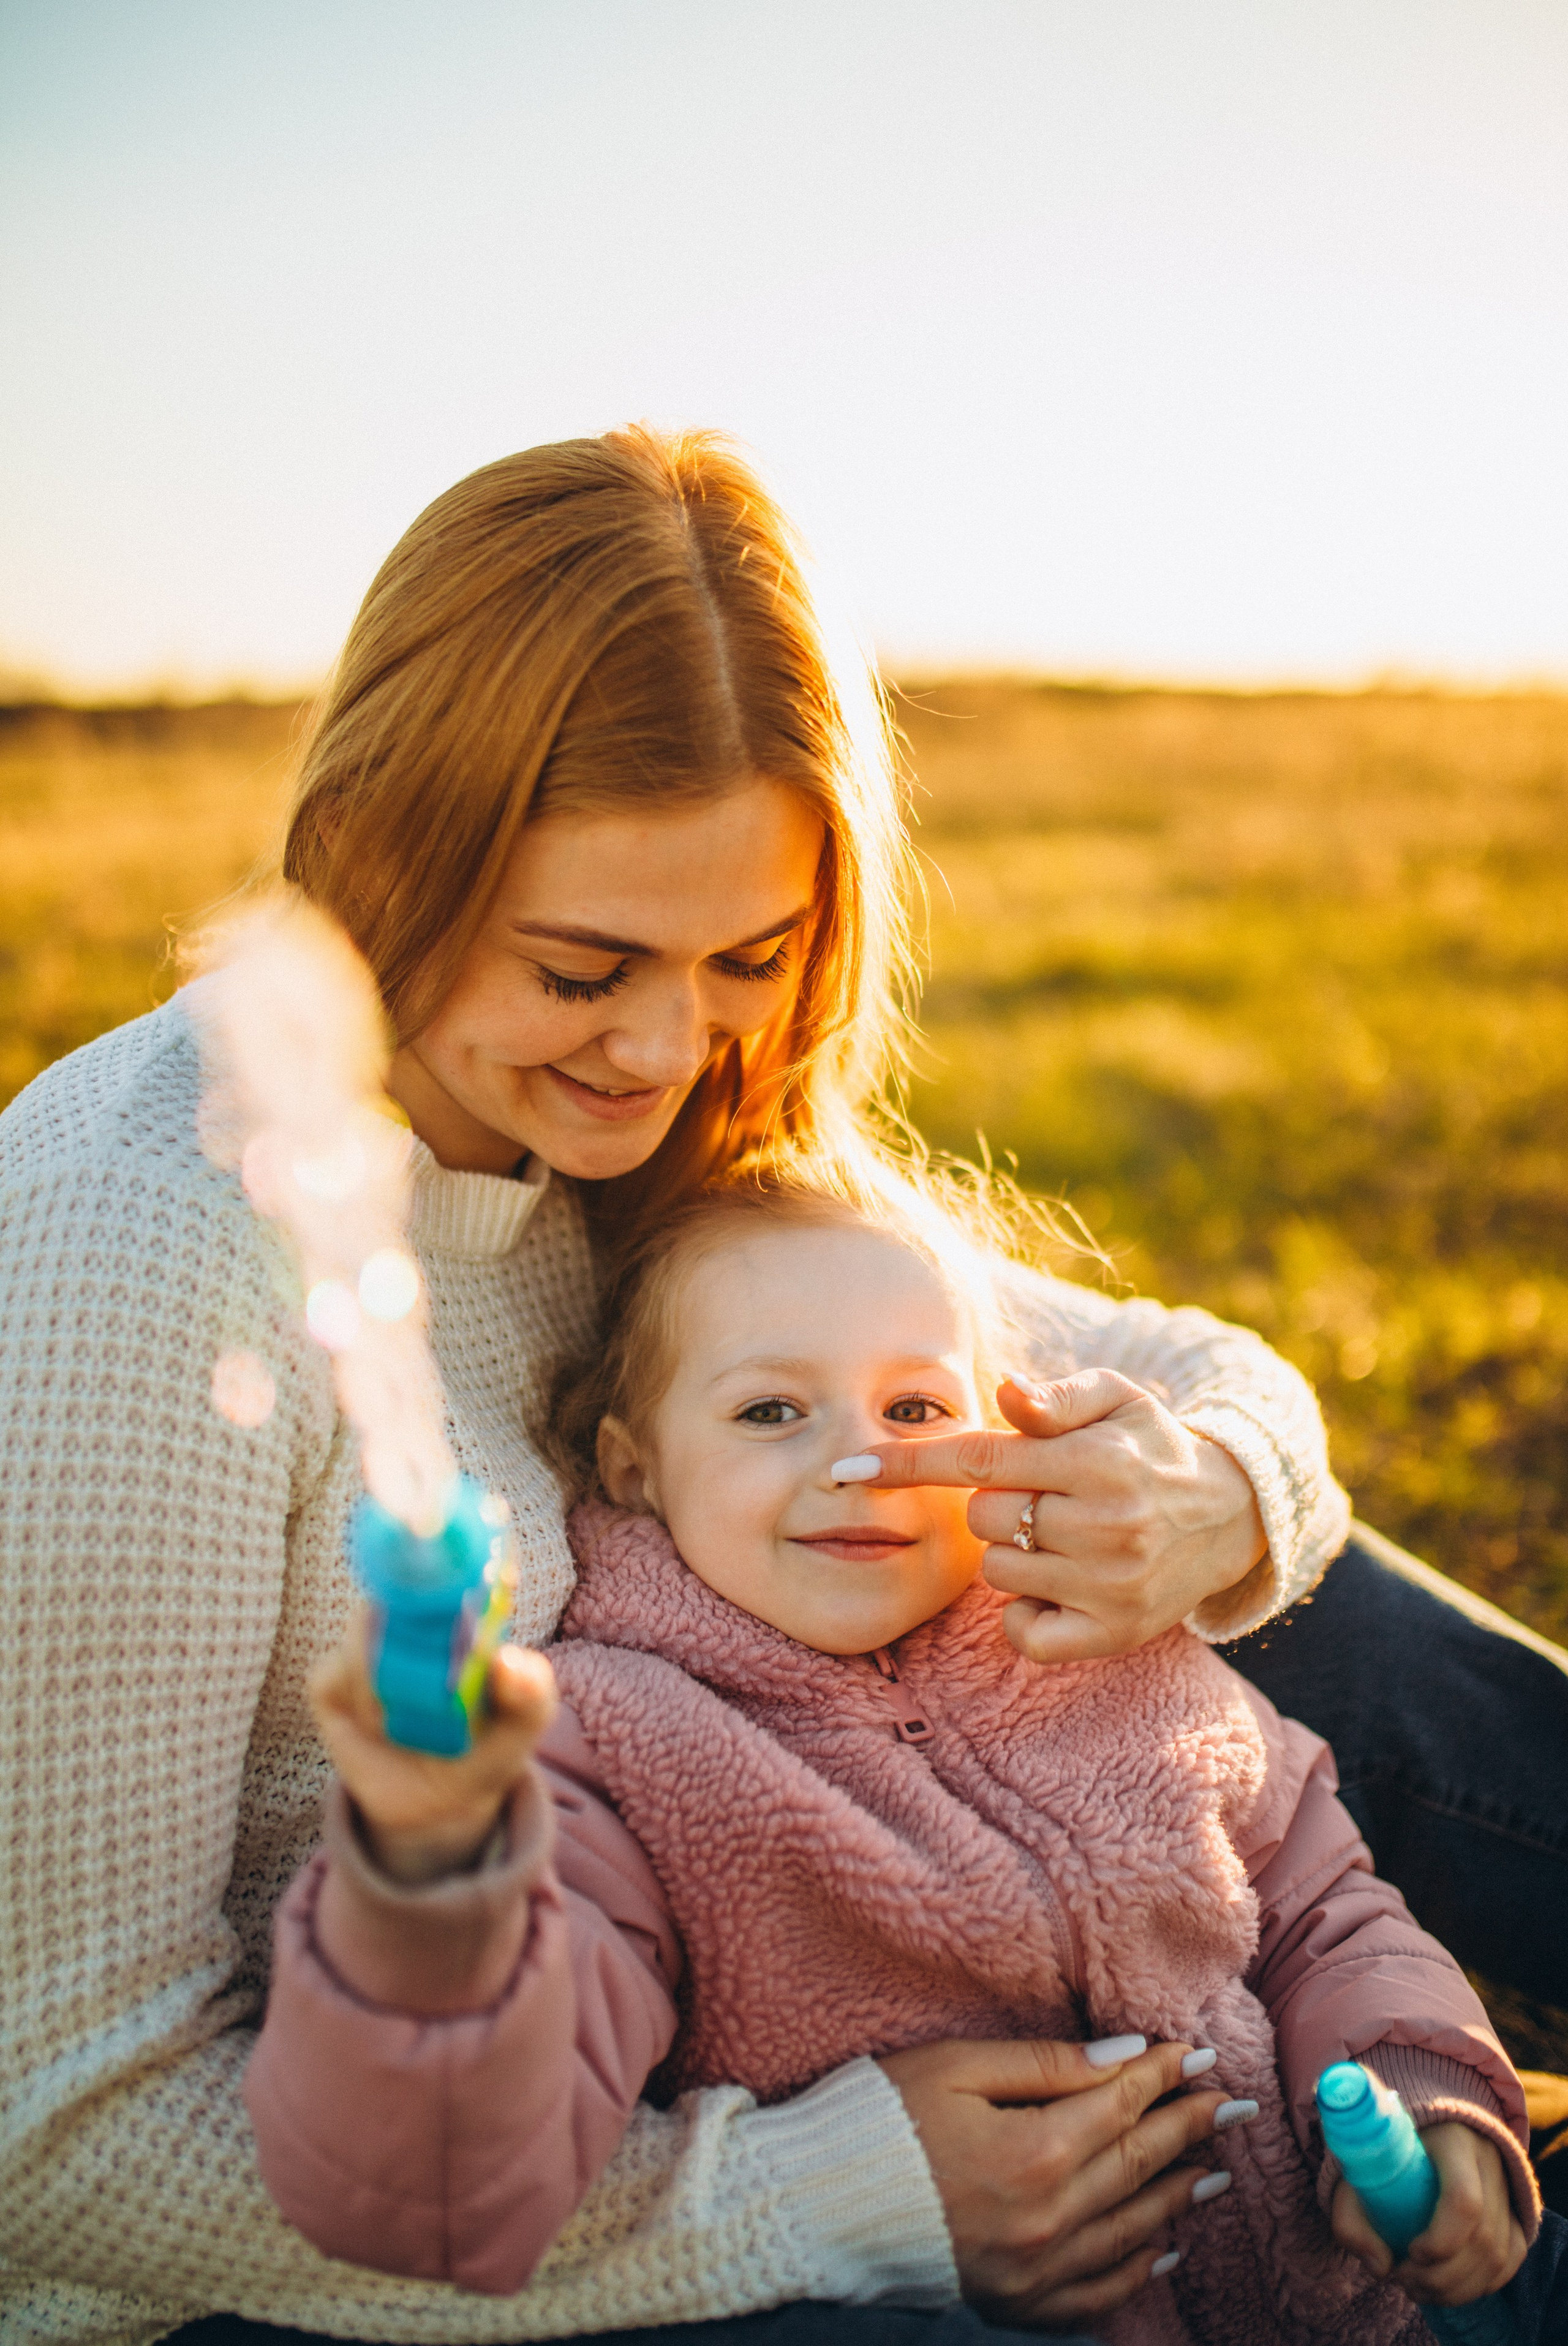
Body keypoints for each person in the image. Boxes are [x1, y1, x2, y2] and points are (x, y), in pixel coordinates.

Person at [0, 423, 1555, 2346]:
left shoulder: (615, 1143)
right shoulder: (136, 1237)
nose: (665, 1046)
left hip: (714, 2005)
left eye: (749, 954)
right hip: (322, 2249)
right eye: (584, 965)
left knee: (1228, 1579)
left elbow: (1191, 1371)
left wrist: (1208, 1498)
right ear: (386, 843)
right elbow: (49, 2129)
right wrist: (827, 2192)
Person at [246, 1167, 1536, 2346]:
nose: (856, 1463)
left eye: (914, 1407)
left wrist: (1422, 2089)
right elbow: (475, 2148)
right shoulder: (613, 1746)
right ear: (632, 1468)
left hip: (1348, 2296)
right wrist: (432, 1872)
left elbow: (1320, 1911)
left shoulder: (1103, 1648)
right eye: (769, 1410)